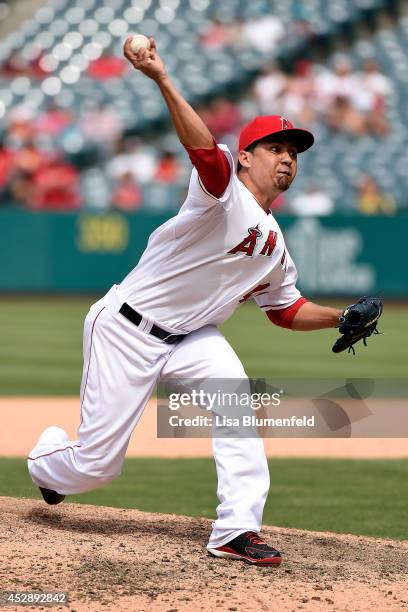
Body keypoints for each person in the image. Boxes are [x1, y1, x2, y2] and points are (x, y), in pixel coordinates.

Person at [28, 37, 342, 567]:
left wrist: (341, 317)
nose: (287, 158)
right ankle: (46, 461)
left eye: (293, 153)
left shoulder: (276, 244)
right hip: (127, 328)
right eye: (275, 148)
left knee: (236, 398)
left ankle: (235, 529)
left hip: (192, 338)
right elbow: (203, 153)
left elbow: (285, 309)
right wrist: (161, 77)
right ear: (246, 156)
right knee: (95, 467)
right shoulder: (222, 195)